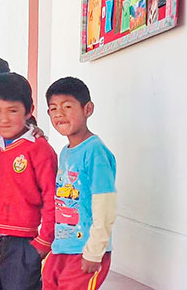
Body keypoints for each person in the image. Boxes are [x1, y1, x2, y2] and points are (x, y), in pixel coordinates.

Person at [0, 73, 57, 290]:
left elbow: (52, 197)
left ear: (29, 111)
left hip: (23, 242)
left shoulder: (39, 148)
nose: (4, 119)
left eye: (12, 111)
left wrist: (44, 241)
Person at [42, 77, 117, 290]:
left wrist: (94, 251)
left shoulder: (95, 151)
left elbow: (105, 205)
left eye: (67, 107)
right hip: (62, 247)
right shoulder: (66, 152)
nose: (59, 114)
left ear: (88, 109)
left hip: (85, 249)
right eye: (53, 108)